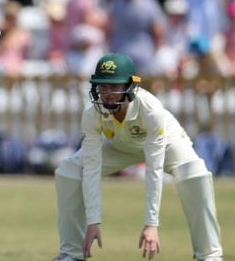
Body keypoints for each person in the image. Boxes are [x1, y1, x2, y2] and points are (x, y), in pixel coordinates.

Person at [52, 53, 223, 261]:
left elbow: (154, 168)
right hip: (119, 147)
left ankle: (209, 255)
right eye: (103, 86)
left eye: (114, 87)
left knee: (195, 173)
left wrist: (152, 224)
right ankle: (72, 254)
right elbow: (91, 166)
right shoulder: (92, 113)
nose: (107, 93)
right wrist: (93, 221)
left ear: (131, 87)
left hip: (166, 142)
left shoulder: (151, 110)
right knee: (69, 171)